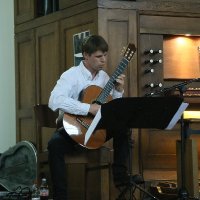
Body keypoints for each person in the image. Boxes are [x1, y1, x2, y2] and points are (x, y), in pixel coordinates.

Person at [47, 35, 143, 200]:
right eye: (99, 56)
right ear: (86, 55)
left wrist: (119, 90)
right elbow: (54, 100)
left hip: (97, 130)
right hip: (74, 129)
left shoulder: (105, 78)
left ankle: (120, 178)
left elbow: (115, 111)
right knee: (54, 144)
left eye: (105, 55)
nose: (104, 60)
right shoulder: (71, 75)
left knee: (123, 126)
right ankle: (60, 196)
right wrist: (88, 108)